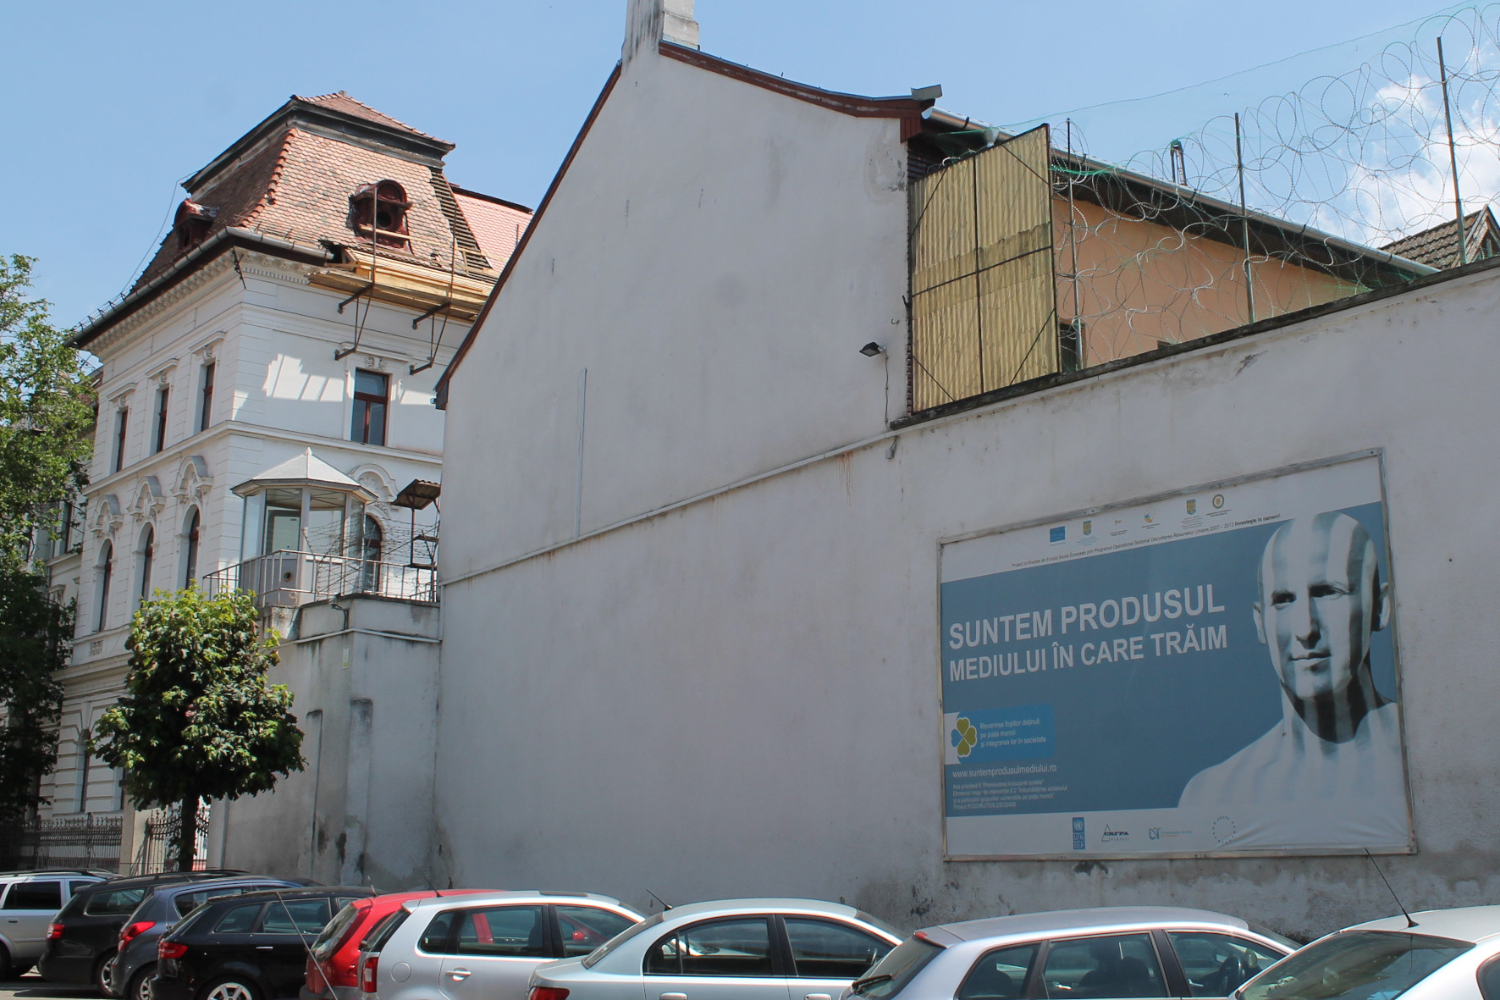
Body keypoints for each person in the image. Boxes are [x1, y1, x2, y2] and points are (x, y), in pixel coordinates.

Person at [1178, 511, 1406, 816]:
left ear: (1380, 608)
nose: (1305, 629)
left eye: (1328, 592)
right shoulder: (1215, 793)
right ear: (1260, 622)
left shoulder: (1425, 757)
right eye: (1283, 600)